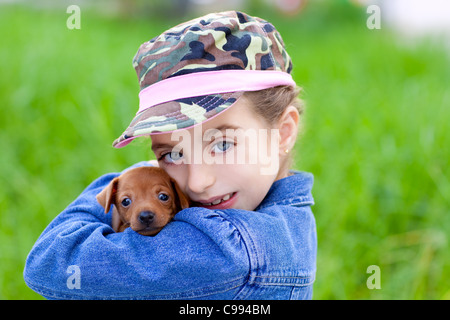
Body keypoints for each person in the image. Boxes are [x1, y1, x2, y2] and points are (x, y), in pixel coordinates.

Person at [24, 11, 317, 300]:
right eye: (173, 155)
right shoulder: (289, 220)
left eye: (223, 145)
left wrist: (132, 181)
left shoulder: (231, 251)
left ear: (283, 132)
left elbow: (50, 261)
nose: (199, 182)